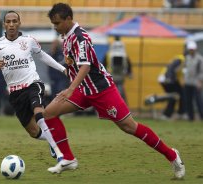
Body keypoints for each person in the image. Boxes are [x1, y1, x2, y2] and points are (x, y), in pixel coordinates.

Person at [45, 3, 185, 179]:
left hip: (101, 90)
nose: (55, 27)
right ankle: (68, 159)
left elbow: (86, 67)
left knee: (129, 127)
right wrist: (68, 74)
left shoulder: (81, 37)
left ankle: (172, 155)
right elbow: (75, 65)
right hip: (83, 89)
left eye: (57, 23)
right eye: (53, 24)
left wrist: (70, 88)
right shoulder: (66, 37)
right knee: (49, 113)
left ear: (68, 19)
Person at [0, 11, 76, 171]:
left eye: (15, 21)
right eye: (8, 22)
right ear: (4, 25)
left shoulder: (29, 41)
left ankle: (60, 154)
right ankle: (50, 140)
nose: (12, 24)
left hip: (33, 84)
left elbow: (43, 57)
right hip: (14, 93)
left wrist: (63, 70)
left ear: (19, 23)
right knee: (33, 132)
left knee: (39, 113)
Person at [104, 36, 132, 103]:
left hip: (113, 75)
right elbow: (128, 64)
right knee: (119, 91)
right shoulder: (124, 55)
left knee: (117, 91)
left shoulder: (108, 55)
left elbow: (103, 64)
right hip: (116, 75)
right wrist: (129, 72)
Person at [157, 55, 186, 120]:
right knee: (174, 96)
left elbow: (178, 73)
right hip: (166, 79)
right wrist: (169, 78)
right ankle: (166, 115)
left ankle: (181, 112)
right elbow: (171, 67)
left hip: (168, 79)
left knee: (181, 94)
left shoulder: (181, 61)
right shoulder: (181, 59)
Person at [183, 41, 203, 121]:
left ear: (195, 49)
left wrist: (200, 82)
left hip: (196, 82)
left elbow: (201, 71)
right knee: (188, 100)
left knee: (198, 100)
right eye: (190, 49)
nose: (191, 51)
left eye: (192, 49)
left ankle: (202, 116)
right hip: (188, 82)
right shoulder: (187, 58)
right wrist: (183, 79)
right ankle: (191, 117)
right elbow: (185, 69)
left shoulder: (199, 59)